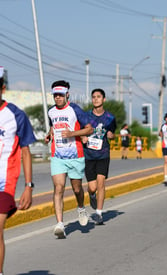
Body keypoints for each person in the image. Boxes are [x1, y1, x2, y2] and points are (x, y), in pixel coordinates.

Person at [45, 80, 93, 238]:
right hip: (57, 155)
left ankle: (81, 208)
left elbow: (89, 129)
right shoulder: (51, 111)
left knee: (77, 189)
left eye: (60, 95)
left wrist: (72, 134)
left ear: (67, 94)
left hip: (75, 155)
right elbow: (53, 126)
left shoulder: (75, 110)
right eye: (55, 95)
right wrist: (49, 134)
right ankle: (60, 224)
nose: (57, 98)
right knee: (58, 188)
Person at [0, 66, 35, 274]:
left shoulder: (15, 115)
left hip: (5, 182)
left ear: (2, 89)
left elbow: (25, 151)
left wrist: (29, 186)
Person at [82, 88, 116, 225]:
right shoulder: (85, 116)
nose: (96, 99)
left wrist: (111, 135)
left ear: (104, 99)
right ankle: (91, 195)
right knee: (92, 187)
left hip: (103, 154)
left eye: (98, 97)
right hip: (89, 155)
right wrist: (83, 136)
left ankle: (99, 214)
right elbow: (79, 130)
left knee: (101, 183)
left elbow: (113, 133)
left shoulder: (110, 118)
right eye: (94, 97)